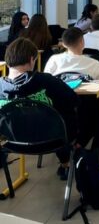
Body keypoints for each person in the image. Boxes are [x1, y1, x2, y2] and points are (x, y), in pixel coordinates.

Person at [0, 38, 78, 180]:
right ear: (32, 60)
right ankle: (66, 164)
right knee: (67, 112)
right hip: (52, 140)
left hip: (11, 142)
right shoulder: (46, 81)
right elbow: (73, 99)